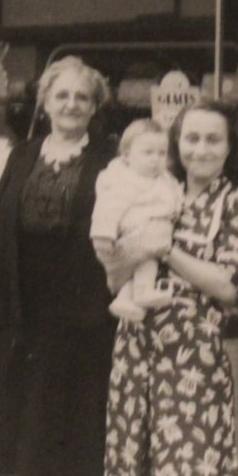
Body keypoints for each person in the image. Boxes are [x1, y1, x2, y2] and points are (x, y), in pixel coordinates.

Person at [0, 56, 140, 476]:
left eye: (82, 97)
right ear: (45, 102)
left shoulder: (111, 159)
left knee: (82, 413)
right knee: (33, 413)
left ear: (96, 107)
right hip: (26, 305)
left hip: (87, 309)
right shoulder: (22, 155)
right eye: (62, 95)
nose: (72, 105)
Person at [102, 101, 238, 476]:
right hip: (138, 343)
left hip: (194, 353)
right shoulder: (153, 189)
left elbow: (228, 286)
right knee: (149, 472)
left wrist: (165, 248)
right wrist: (131, 253)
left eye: (214, 139)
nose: (201, 149)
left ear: (232, 146)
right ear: (176, 144)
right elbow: (114, 274)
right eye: (191, 138)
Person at [91, 118, 184, 323]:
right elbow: (107, 208)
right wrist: (102, 233)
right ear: (126, 155)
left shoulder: (163, 178)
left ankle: (126, 299)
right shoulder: (122, 179)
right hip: (132, 233)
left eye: (162, 153)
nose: (156, 159)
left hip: (149, 234)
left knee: (144, 262)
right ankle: (141, 292)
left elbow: (174, 194)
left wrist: (176, 207)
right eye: (148, 152)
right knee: (146, 258)